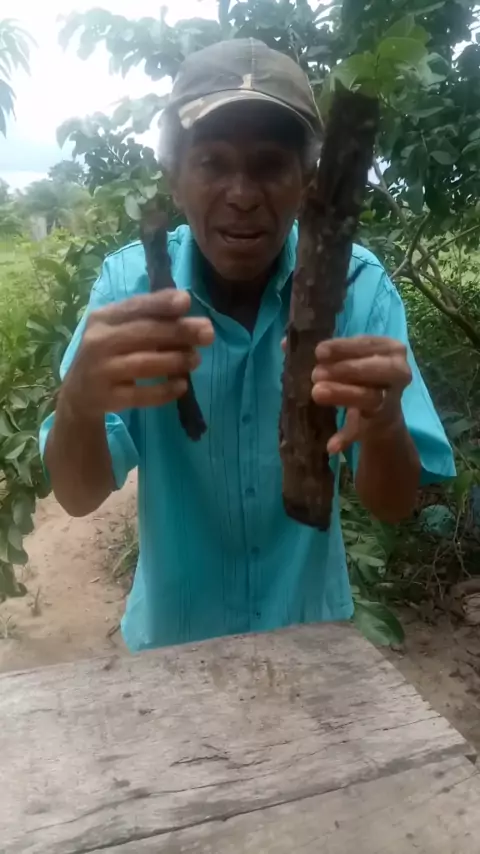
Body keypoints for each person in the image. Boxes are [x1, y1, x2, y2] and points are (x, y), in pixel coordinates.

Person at [40, 39, 455, 652]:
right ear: (174, 177)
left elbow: (392, 504)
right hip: (174, 650)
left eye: (269, 165)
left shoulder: (358, 291)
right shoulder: (129, 292)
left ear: (307, 181)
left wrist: (385, 420)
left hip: (311, 641)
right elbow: (78, 497)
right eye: (212, 162)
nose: (242, 193)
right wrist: (77, 403)